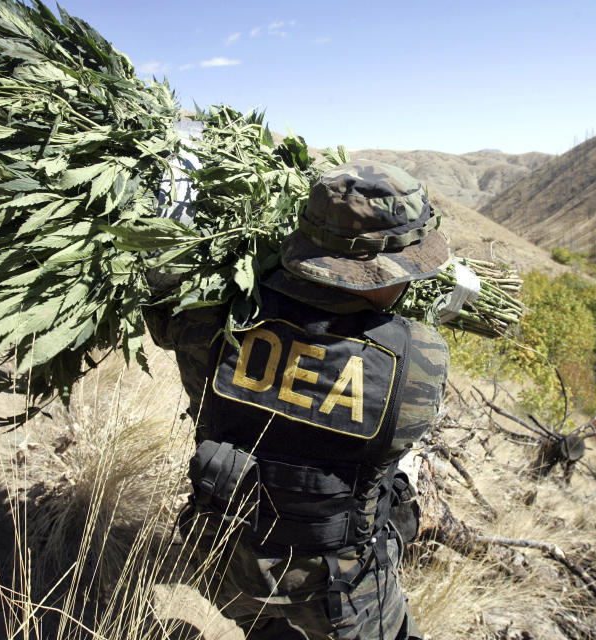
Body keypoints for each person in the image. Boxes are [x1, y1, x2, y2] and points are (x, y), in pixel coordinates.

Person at [145, 161, 450, 640]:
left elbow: (160, 310)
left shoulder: (213, 318)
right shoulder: (420, 355)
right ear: (383, 269)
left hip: (224, 559)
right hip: (337, 592)